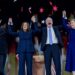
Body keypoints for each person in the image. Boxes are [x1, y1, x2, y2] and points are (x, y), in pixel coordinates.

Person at [62, 10, 75, 75]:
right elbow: (64, 25)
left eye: (73, 23)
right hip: (71, 48)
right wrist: (64, 16)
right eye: (71, 23)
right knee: (72, 62)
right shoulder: (69, 29)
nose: (72, 24)